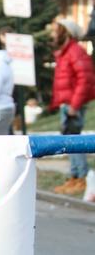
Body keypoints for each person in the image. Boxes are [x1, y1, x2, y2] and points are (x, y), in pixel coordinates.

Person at [48, 18, 95, 193]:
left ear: (65, 32)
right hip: (67, 103)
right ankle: (75, 176)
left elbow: (85, 79)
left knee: (74, 141)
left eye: (56, 30)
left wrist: (74, 105)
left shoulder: (75, 51)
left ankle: (82, 176)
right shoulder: (66, 52)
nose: (53, 34)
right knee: (69, 140)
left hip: (73, 105)